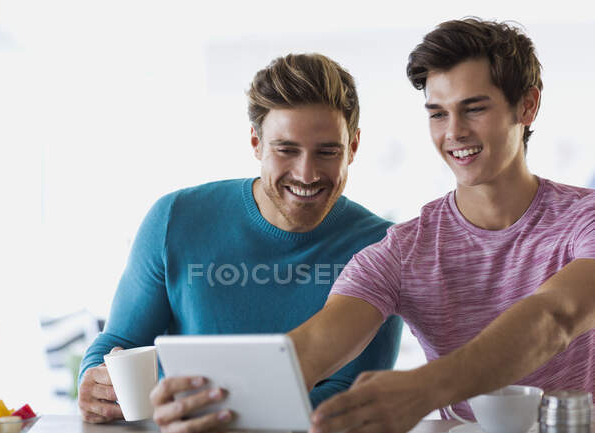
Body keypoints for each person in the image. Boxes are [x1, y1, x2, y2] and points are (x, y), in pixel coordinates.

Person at [285, 18, 595, 433]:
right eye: (438, 113)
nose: (454, 132)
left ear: (527, 105)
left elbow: (555, 317)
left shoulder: (584, 220)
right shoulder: (401, 251)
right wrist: (210, 395)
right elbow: (308, 351)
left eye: (474, 108)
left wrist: (424, 389)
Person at [77, 53, 404, 428]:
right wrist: (93, 380)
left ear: (354, 148)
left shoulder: (381, 246)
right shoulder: (175, 218)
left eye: (327, 152)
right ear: (256, 143)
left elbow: (350, 393)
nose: (307, 173)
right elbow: (120, 341)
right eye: (286, 149)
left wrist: (222, 417)